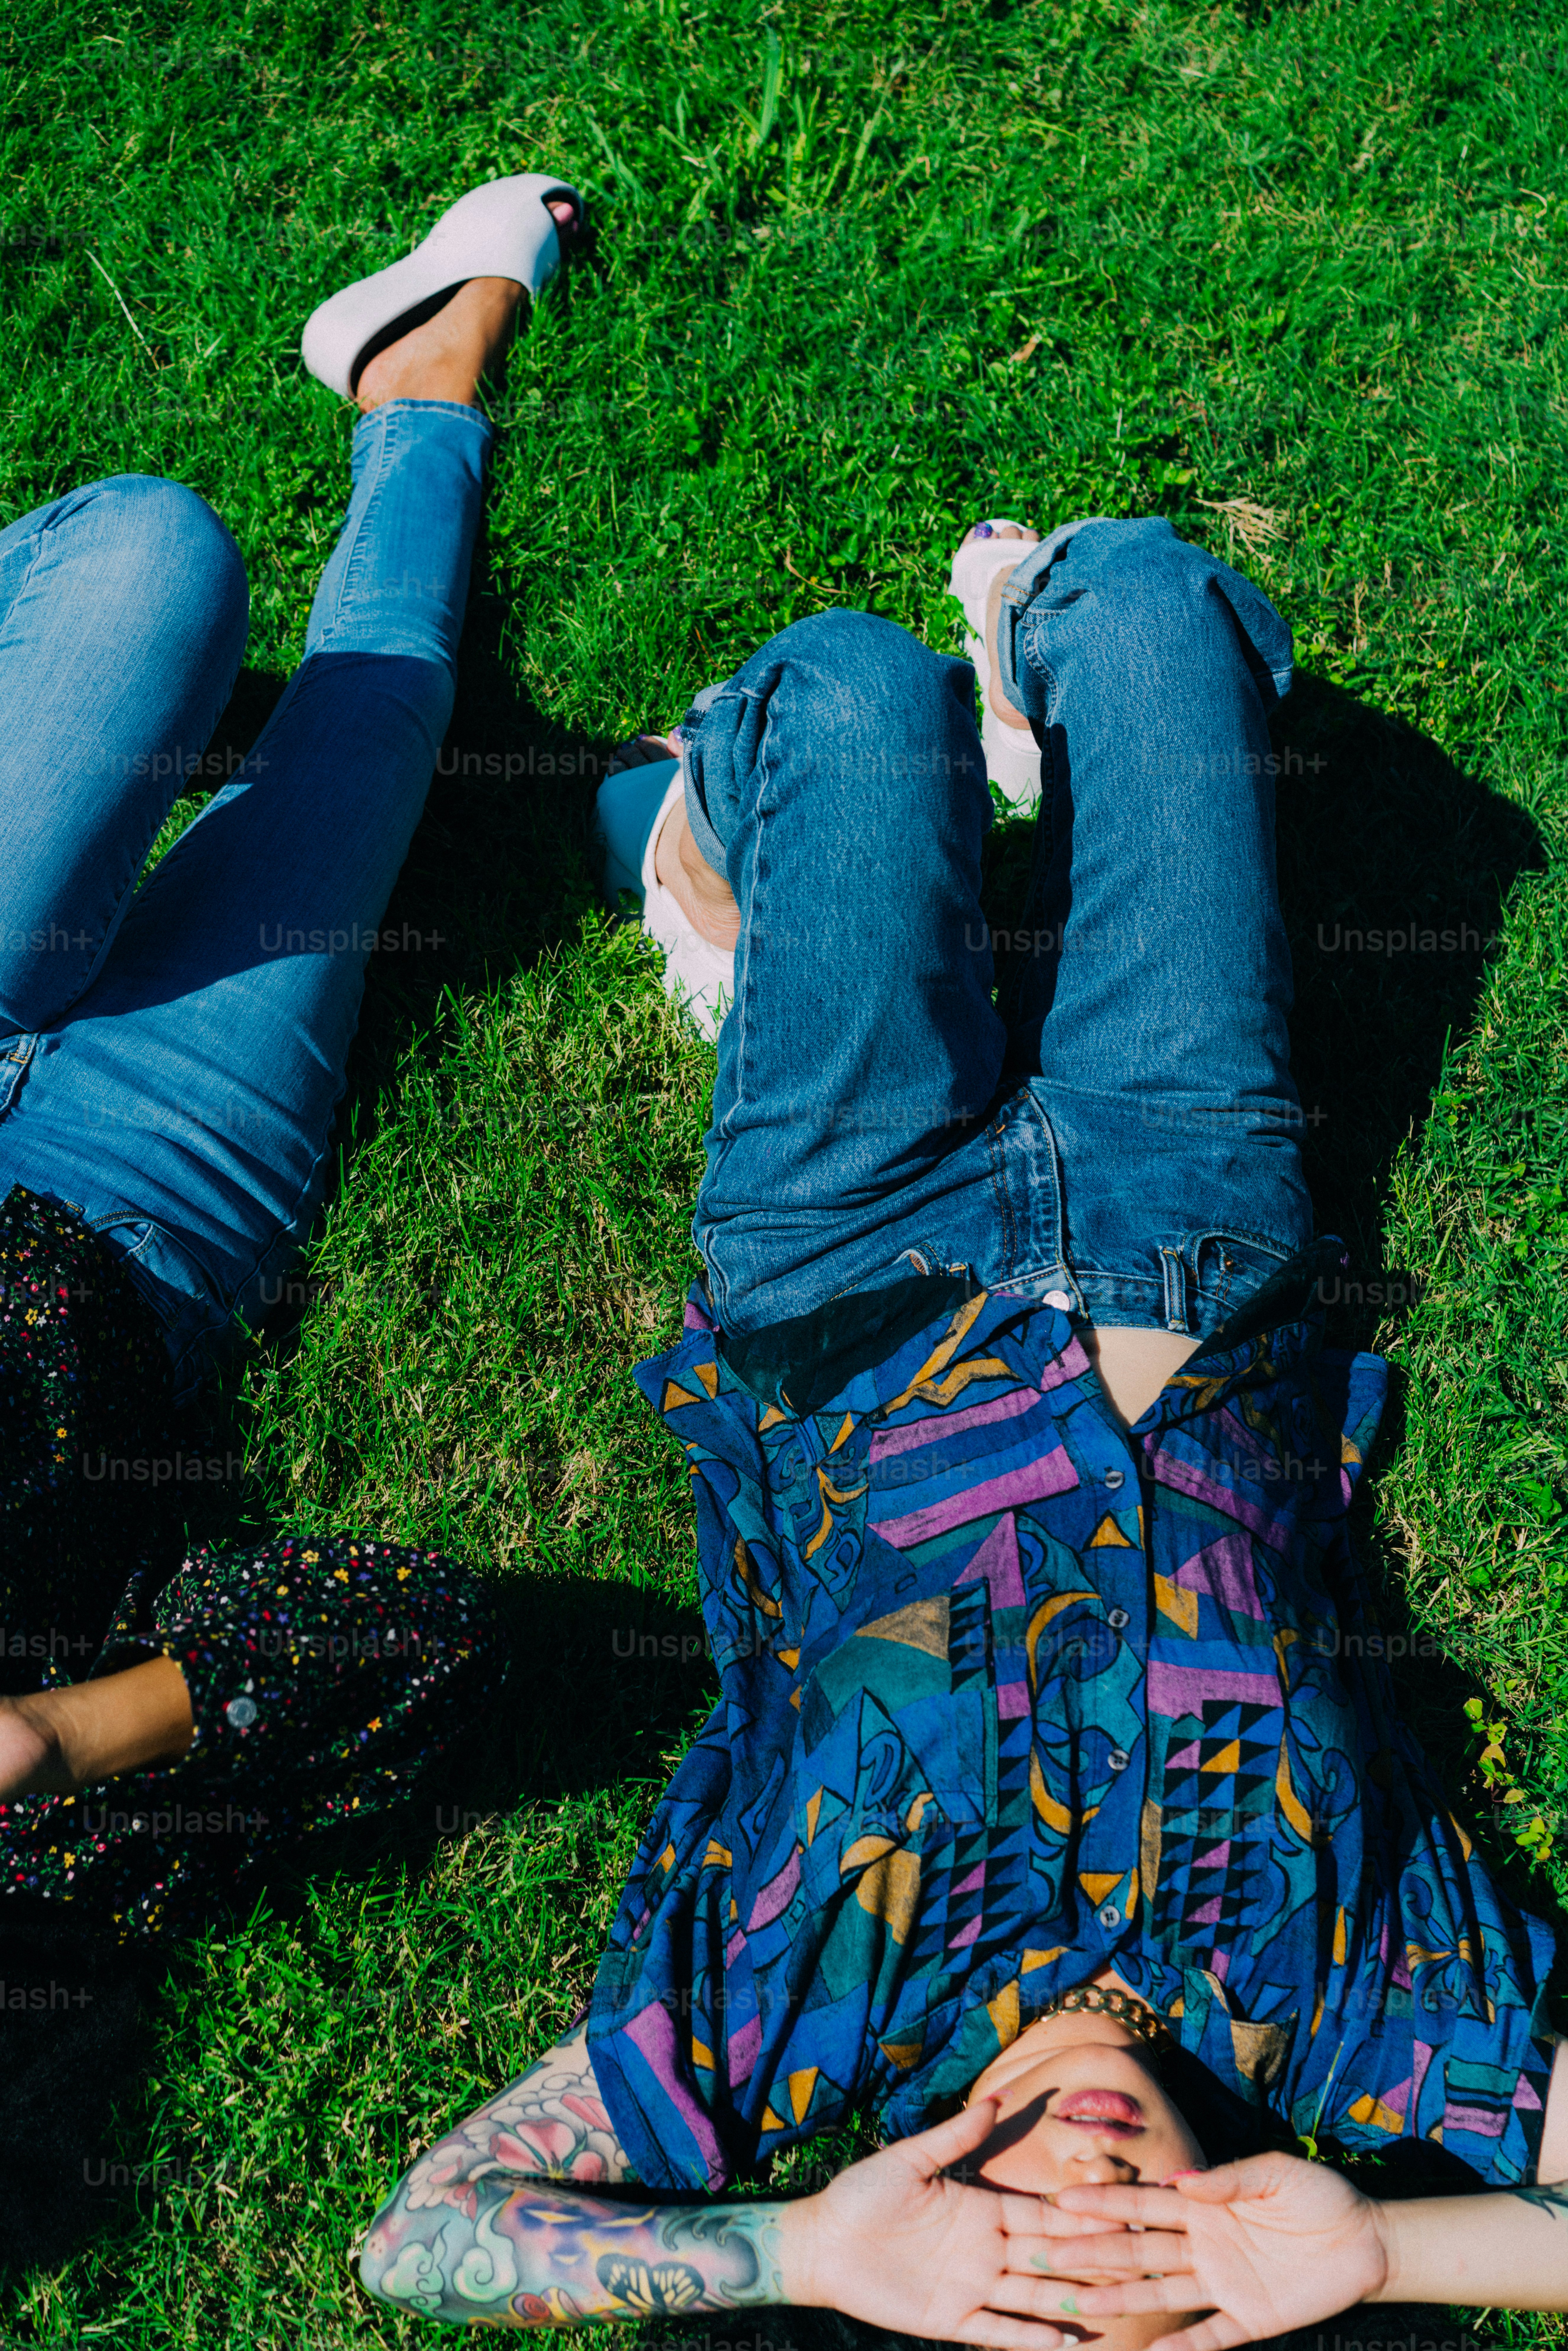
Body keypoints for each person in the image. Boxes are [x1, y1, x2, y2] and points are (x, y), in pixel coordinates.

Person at [357, 503, 1568, 2347]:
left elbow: (429, 2237)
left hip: (848, 1265)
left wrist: (804, 2251)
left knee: (850, 692)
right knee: (1148, 600)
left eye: (1027, 2279)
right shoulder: (1373, 2018)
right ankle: (1012, 675)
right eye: (1150, 2284)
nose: (1087, 2202)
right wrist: (1389, 2247)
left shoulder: (787, 2021)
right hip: (1193, 1227)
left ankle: (697, 859)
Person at [0, 173, 581, 1933]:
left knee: (155, 559)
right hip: (148, 1207)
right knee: (382, 711)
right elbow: (437, 1635)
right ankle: (421, 386)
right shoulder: (32, 1884)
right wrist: (55, 1736)